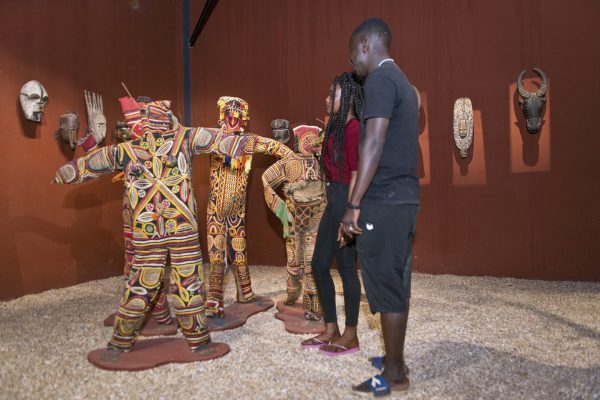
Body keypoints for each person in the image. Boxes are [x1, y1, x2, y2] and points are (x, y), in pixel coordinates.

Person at [340, 18, 419, 396]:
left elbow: (374, 143)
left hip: (384, 198)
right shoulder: (403, 80)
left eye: (353, 51)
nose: (352, 61)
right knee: (396, 279)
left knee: (386, 284)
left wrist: (353, 203)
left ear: (367, 45)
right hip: (402, 196)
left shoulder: (380, 81)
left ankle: (395, 375)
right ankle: (394, 358)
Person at [300, 72, 363, 356]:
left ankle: (351, 333)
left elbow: (357, 173)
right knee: (319, 264)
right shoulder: (337, 128)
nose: (327, 98)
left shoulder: (353, 129)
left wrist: (351, 214)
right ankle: (330, 328)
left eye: (332, 93)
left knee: (347, 268)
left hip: (346, 201)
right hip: (334, 198)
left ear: (348, 97)